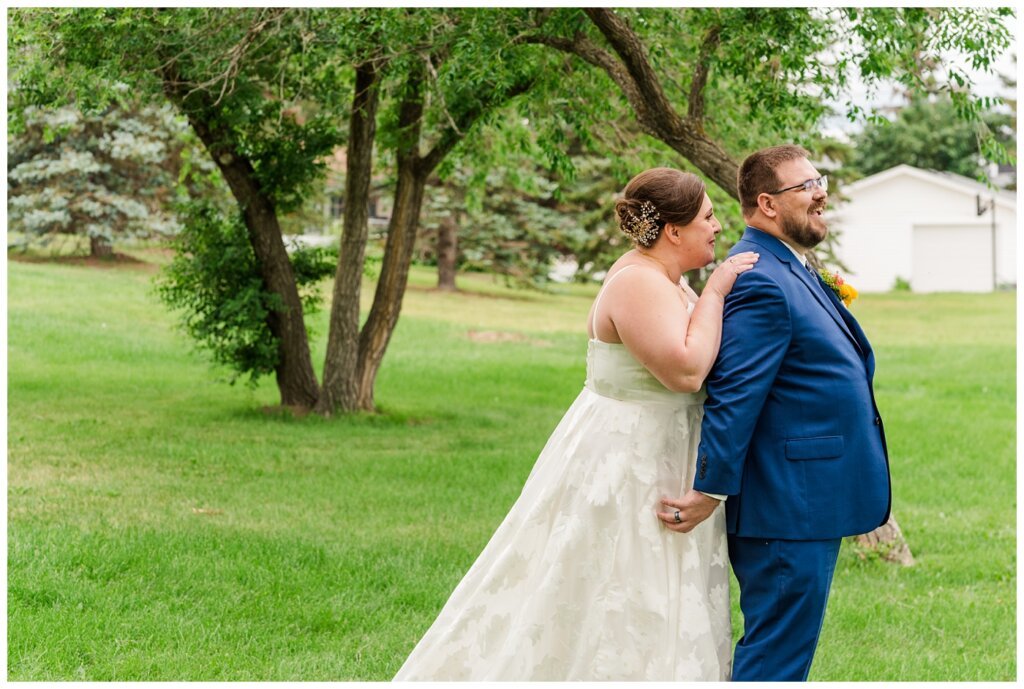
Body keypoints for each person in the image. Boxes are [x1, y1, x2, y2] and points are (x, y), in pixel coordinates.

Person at [393, 167, 758, 681]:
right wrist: (718, 292)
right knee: (618, 584)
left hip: (664, 449)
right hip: (627, 460)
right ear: (673, 231)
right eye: (708, 216)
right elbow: (686, 370)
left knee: (661, 584)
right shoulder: (638, 282)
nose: (717, 225)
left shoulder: (669, 280)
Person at [659, 145, 892, 681]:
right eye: (806, 186)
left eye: (820, 179)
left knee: (787, 650)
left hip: (809, 498)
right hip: (788, 504)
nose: (821, 192)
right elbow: (734, 394)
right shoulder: (761, 278)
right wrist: (709, 488)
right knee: (776, 658)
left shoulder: (793, 265)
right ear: (766, 203)